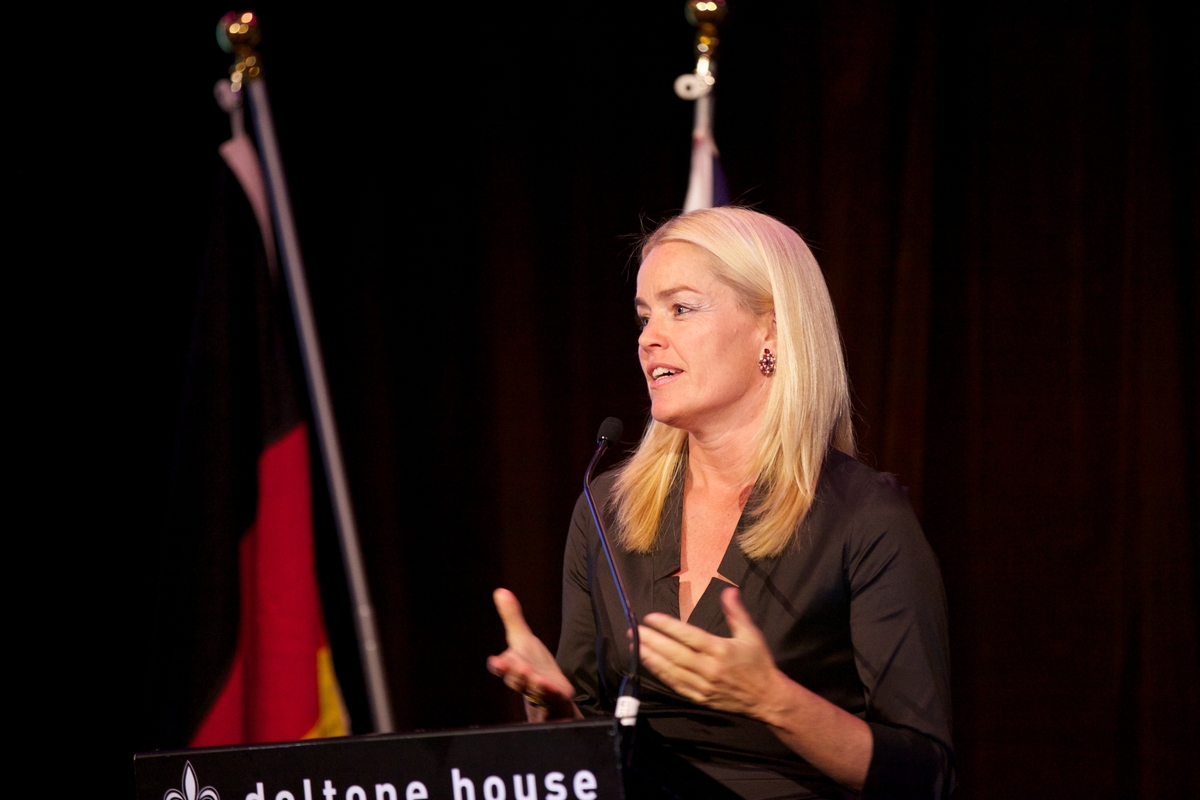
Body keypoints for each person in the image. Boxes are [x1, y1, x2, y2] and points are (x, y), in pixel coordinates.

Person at [488, 207, 954, 799]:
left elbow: (924, 776)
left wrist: (772, 700)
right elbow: (586, 752)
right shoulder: (606, 509)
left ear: (772, 333)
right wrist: (551, 712)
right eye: (644, 315)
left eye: (681, 309)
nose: (649, 336)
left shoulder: (865, 518)